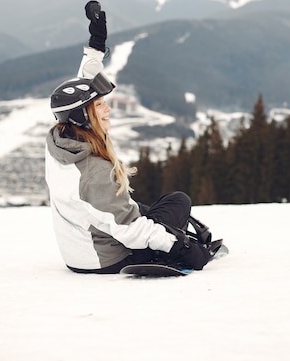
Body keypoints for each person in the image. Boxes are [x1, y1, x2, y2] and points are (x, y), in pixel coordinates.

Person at [45, 73, 217, 274]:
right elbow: (129, 229)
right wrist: (182, 247)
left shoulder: (57, 145)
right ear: (81, 115)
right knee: (178, 202)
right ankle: (169, 247)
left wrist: (95, 52)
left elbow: (68, 101)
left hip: (78, 255)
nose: (108, 109)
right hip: (109, 259)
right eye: (99, 105)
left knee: (138, 207)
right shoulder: (95, 172)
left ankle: (170, 236)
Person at [77, 0, 109, 79]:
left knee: (85, 82)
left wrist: (98, 42)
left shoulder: (91, 63)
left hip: (93, 56)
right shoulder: (91, 63)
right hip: (94, 55)